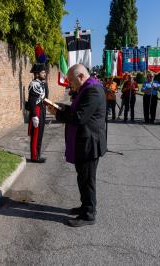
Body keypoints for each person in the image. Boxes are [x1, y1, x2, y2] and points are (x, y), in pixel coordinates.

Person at [47, 64, 107, 227]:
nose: (69, 84)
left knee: (87, 180)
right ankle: (85, 206)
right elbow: (76, 109)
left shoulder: (92, 90)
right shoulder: (85, 89)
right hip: (85, 142)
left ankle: (88, 215)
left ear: (81, 76)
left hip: (89, 143)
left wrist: (57, 113)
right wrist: (59, 107)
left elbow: (79, 117)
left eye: (71, 81)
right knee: (83, 178)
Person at [27, 63, 49, 163]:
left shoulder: (43, 83)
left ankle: (38, 155)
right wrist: (34, 115)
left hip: (42, 110)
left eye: (45, 72)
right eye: (43, 72)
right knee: (35, 135)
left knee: (40, 135)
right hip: (37, 111)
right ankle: (34, 157)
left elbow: (45, 97)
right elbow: (32, 101)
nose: (45, 73)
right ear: (37, 73)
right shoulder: (34, 84)